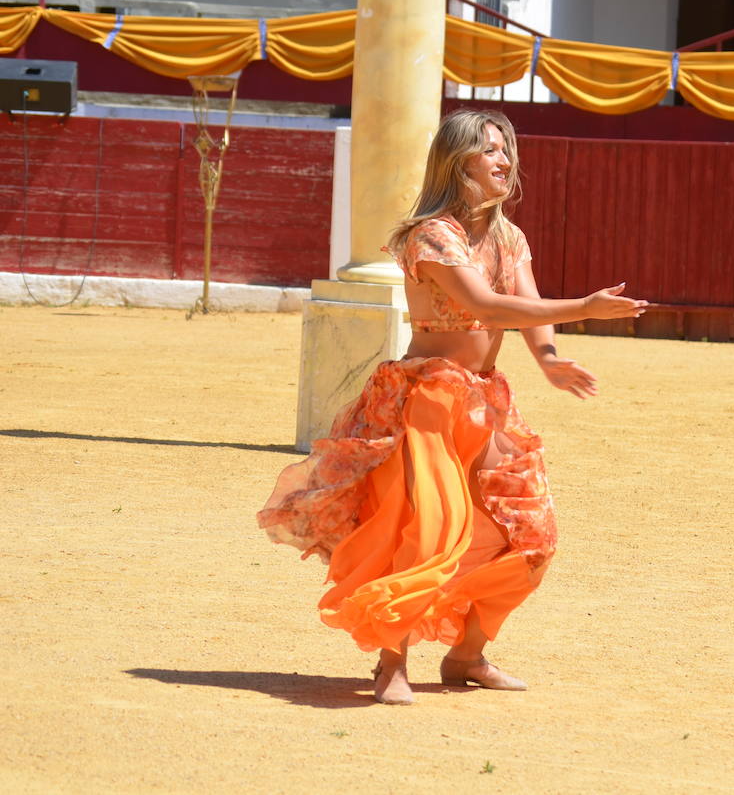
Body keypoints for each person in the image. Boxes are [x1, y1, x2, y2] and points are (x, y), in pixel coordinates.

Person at [258, 110, 648, 703]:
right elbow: (487, 308)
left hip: (485, 400)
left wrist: (548, 359)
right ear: (457, 160)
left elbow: (525, 304)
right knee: (423, 532)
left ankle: (467, 656)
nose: (505, 161)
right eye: (490, 150)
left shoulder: (507, 236)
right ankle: (391, 664)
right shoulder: (432, 234)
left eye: (506, 150)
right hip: (427, 400)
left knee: (530, 535)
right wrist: (585, 307)